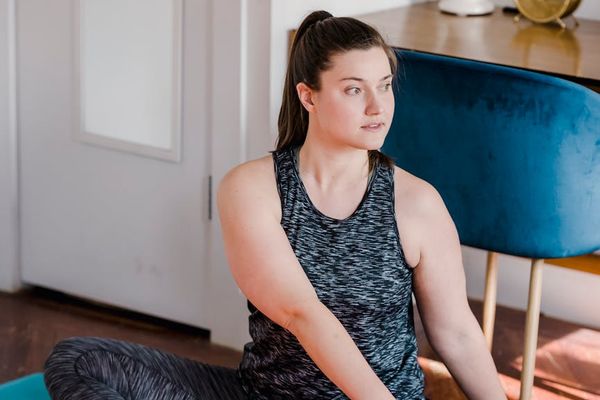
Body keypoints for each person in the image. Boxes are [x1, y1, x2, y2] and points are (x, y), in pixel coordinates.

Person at [43, 10, 506, 400]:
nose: (377, 106)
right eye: (353, 89)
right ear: (309, 96)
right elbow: (301, 313)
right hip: (264, 394)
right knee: (79, 360)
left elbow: (457, 335)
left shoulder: (417, 203)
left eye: (384, 85)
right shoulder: (252, 189)